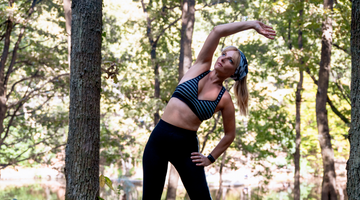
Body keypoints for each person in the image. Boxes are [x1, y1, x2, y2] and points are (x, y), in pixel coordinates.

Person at [142, 21, 276, 200]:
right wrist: (252, 25)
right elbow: (217, 31)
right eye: (223, 54)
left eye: (230, 60)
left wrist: (210, 158)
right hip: (159, 141)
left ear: (234, 72)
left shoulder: (225, 99)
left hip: (186, 148)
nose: (222, 58)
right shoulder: (200, 67)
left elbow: (230, 135)